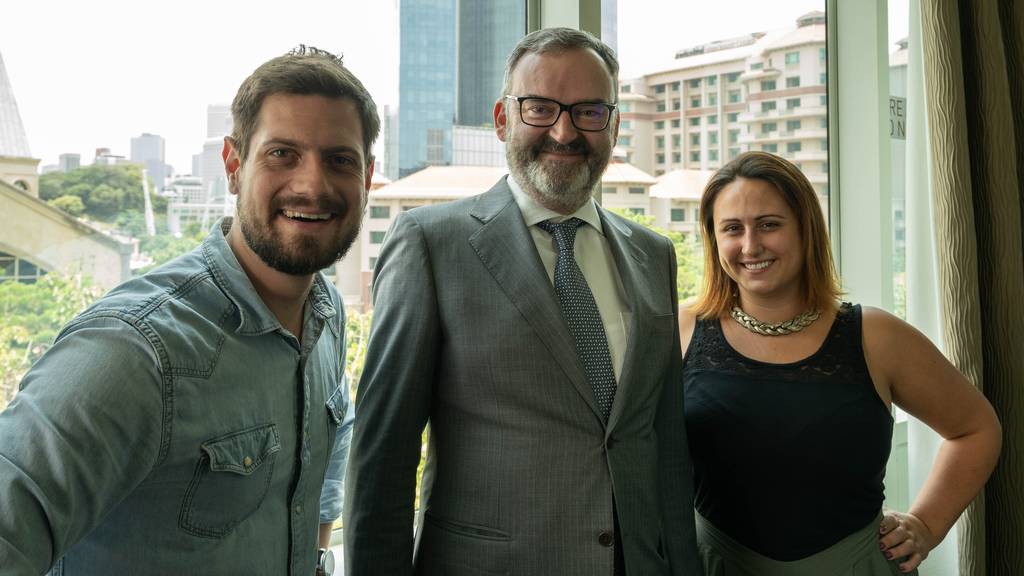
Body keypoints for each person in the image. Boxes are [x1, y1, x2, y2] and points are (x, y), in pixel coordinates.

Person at [0, 46, 378, 575]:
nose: (312, 185)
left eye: (340, 159)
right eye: (282, 154)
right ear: (233, 165)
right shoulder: (135, 349)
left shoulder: (326, 314)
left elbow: (325, 456)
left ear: (367, 176)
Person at [344, 28, 701, 576]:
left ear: (614, 125)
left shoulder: (653, 254)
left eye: (588, 111)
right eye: (540, 108)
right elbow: (383, 456)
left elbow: (665, 445)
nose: (564, 131)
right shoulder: (430, 243)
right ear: (502, 118)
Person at [679, 151, 1002, 575]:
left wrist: (927, 524)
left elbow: (976, 429)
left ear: (806, 229)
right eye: (732, 229)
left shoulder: (876, 336)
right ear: (713, 238)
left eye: (770, 224)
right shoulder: (680, 329)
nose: (751, 245)